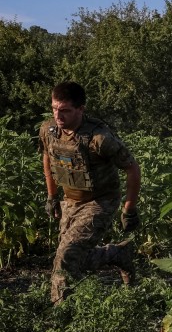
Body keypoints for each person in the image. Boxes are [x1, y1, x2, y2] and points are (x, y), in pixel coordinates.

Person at [41, 81, 141, 305]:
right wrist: (52, 196)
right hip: (70, 201)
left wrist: (129, 209)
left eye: (65, 110)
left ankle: (62, 312)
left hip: (100, 202)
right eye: (54, 108)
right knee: (75, 258)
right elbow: (47, 157)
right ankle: (116, 255)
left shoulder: (99, 138)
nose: (58, 115)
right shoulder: (49, 131)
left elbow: (132, 168)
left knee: (66, 257)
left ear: (81, 109)